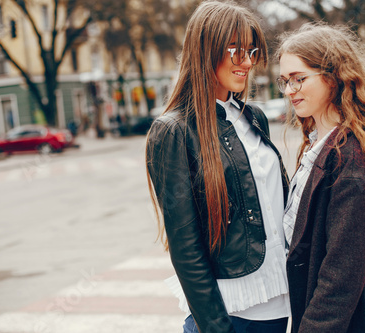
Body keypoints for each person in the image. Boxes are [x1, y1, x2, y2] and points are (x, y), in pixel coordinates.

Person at [146, 1, 290, 332]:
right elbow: (186, 249)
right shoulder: (174, 131)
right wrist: (215, 327)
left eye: (252, 52)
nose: (247, 63)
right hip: (230, 315)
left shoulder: (253, 117)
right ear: (206, 49)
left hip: (283, 307)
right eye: (236, 51)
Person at [276, 23, 365, 333]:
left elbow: (341, 279)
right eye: (284, 81)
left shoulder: (351, 160)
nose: (289, 90)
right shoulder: (319, 143)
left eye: (299, 79)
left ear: (332, 77)